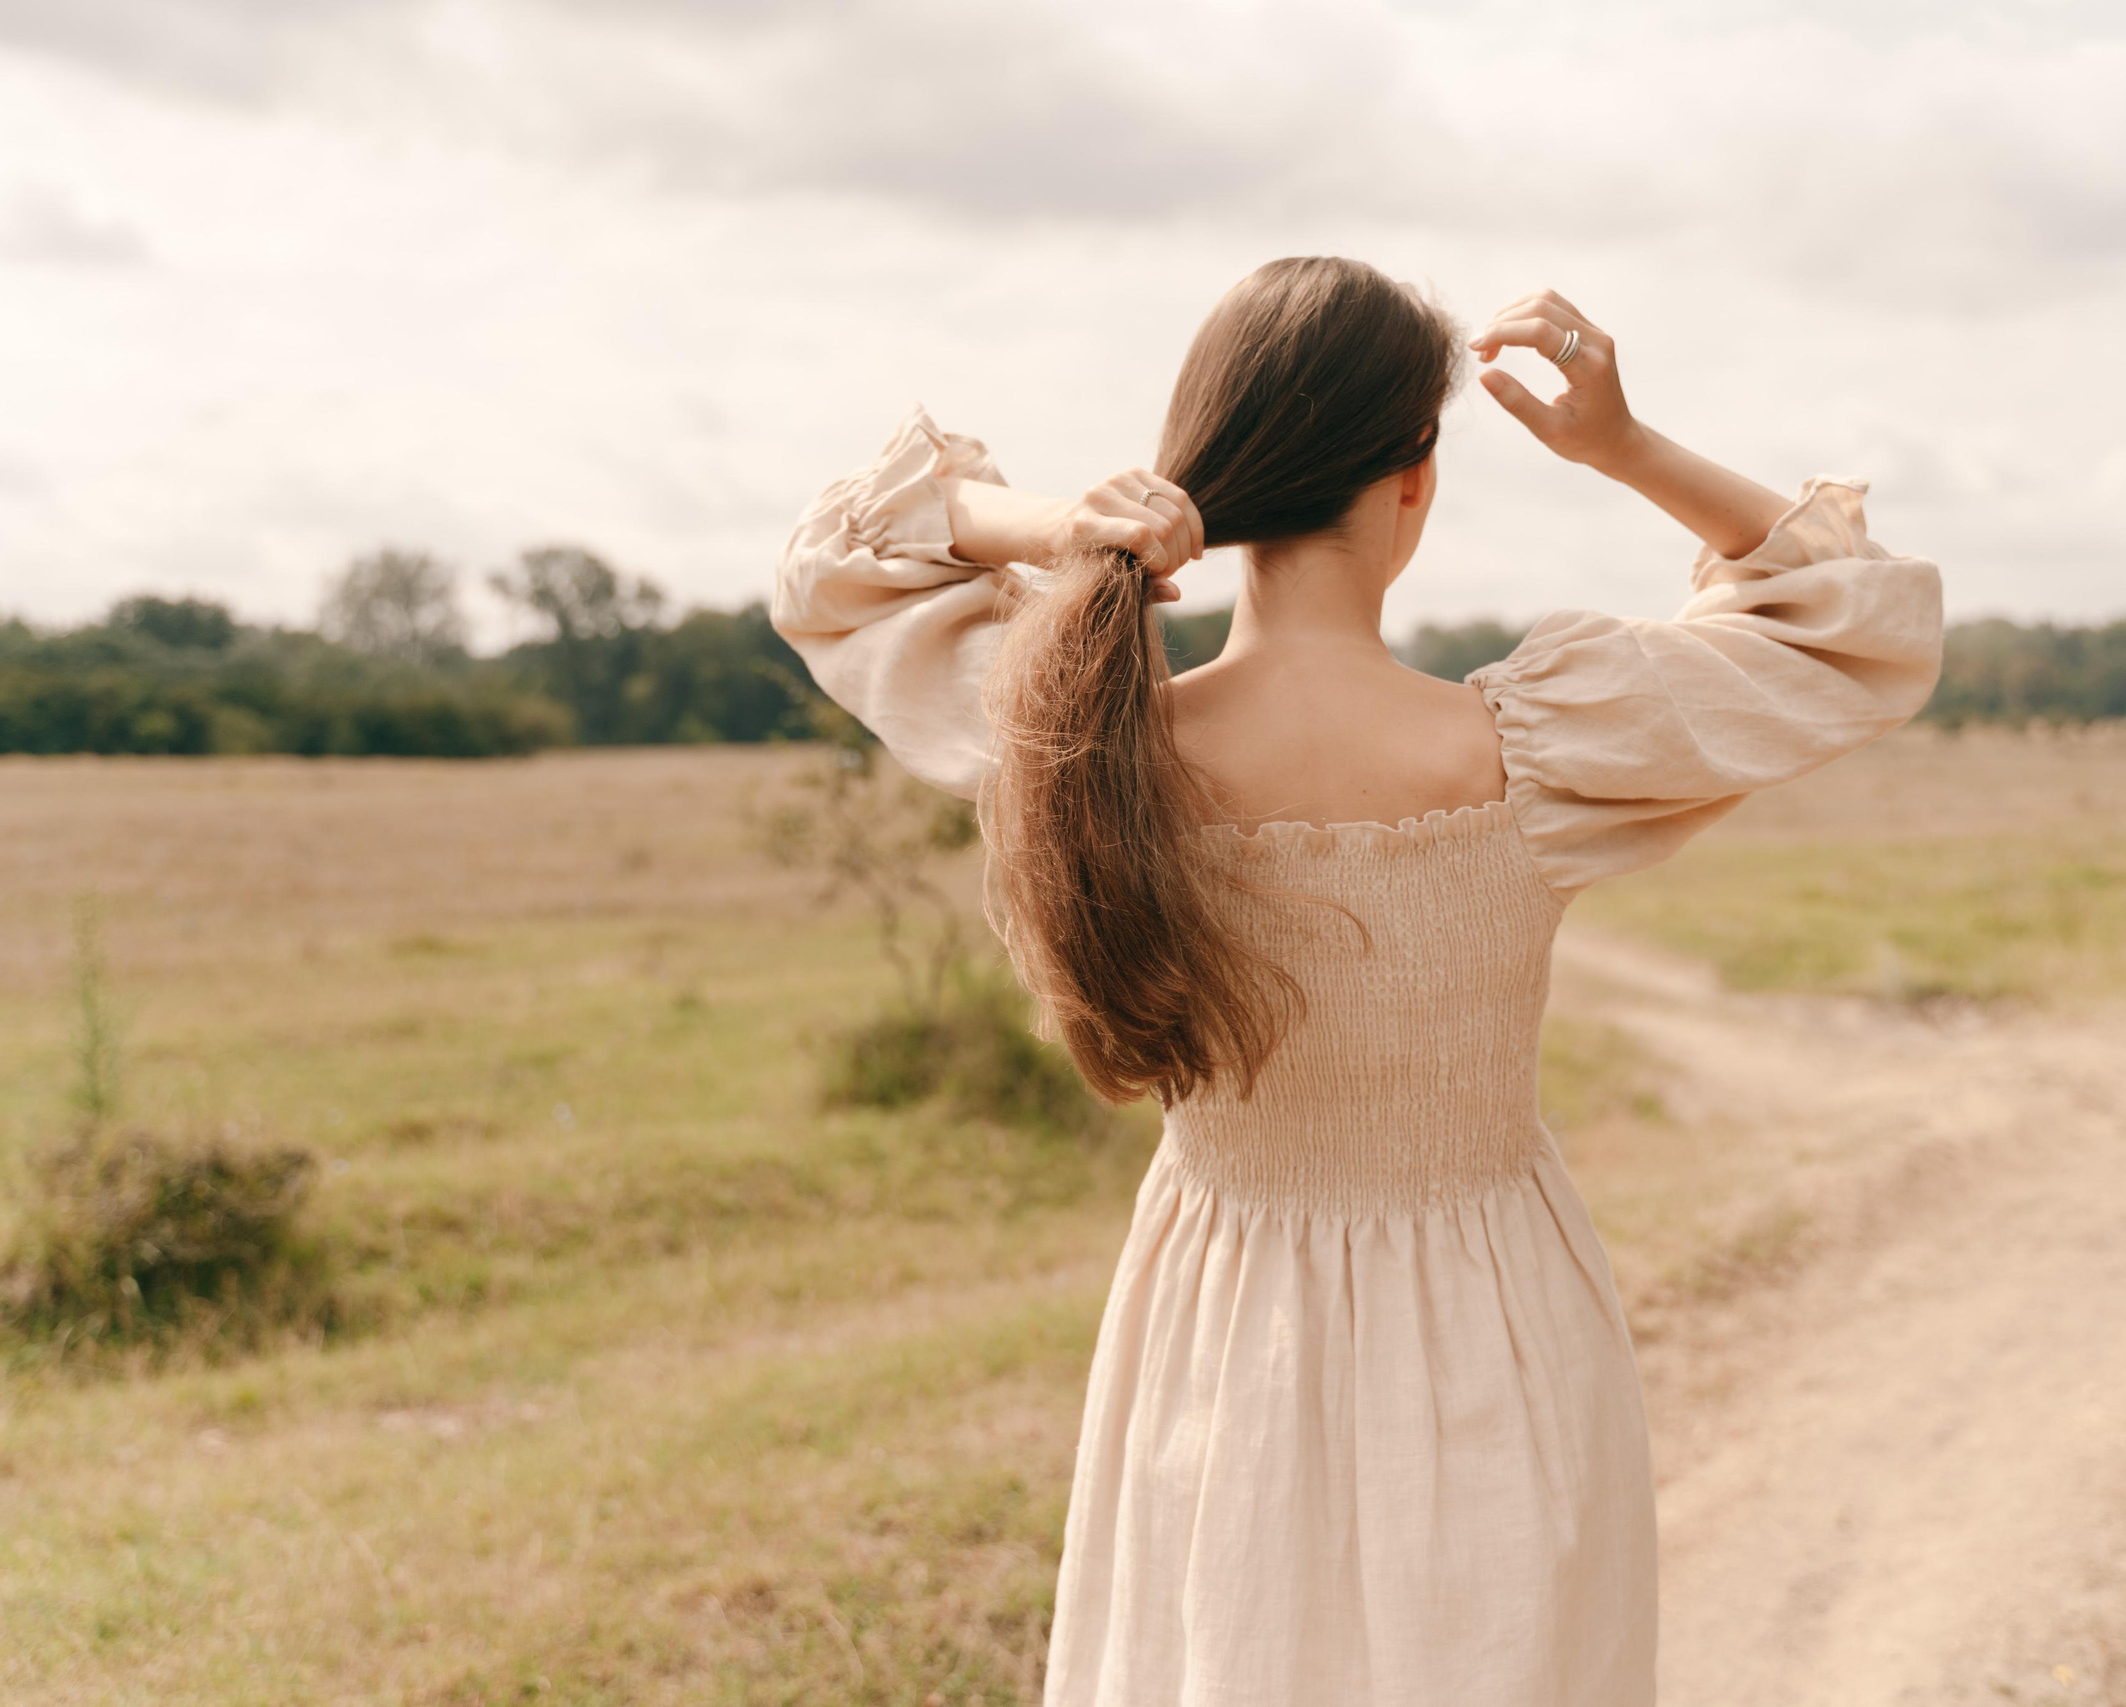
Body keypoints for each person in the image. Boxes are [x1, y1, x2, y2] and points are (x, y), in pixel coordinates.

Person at [773, 258, 1943, 1707]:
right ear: (1416, 481)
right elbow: (1857, 616)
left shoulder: (1080, 735)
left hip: (1219, 1331)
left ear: (1220, 470)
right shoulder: (1539, 752)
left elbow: (835, 561)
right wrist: (1622, 445)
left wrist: (1062, 522)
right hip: (1503, 1324)